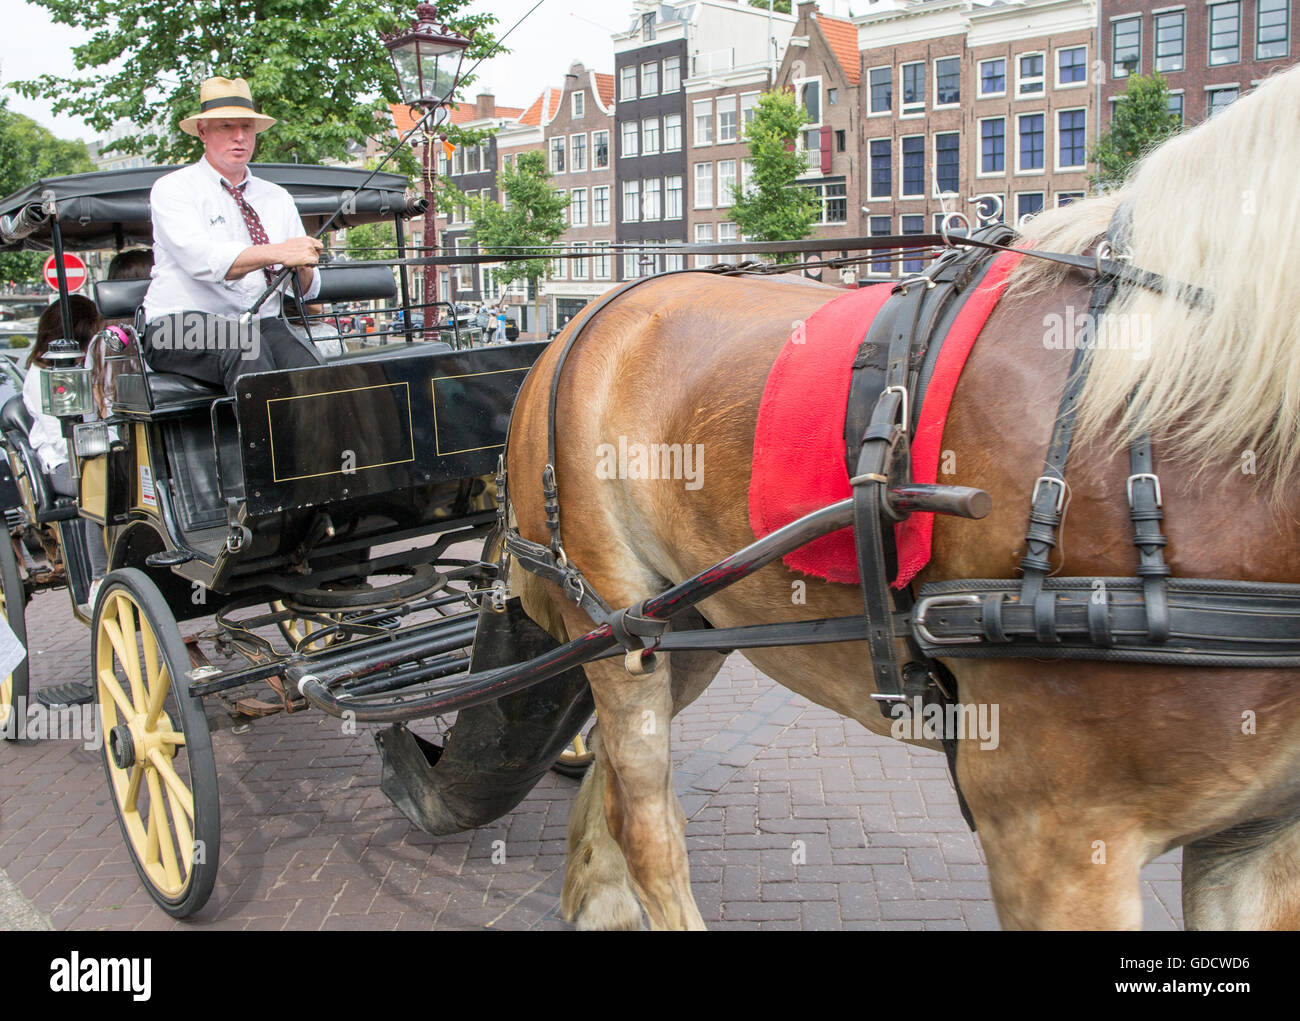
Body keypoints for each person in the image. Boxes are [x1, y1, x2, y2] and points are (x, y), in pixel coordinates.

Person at [141, 76, 325, 393]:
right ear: (203, 131)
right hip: (172, 326)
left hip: (258, 322)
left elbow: (305, 291)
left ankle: (322, 443)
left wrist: (303, 263)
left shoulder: (277, 197)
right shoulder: (174, 188)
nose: (239, 137)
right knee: (244, 346)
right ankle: (266, 444)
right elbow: (204, 261)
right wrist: (280, 252)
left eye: (247, 128)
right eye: (226, 127)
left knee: (311, 366)